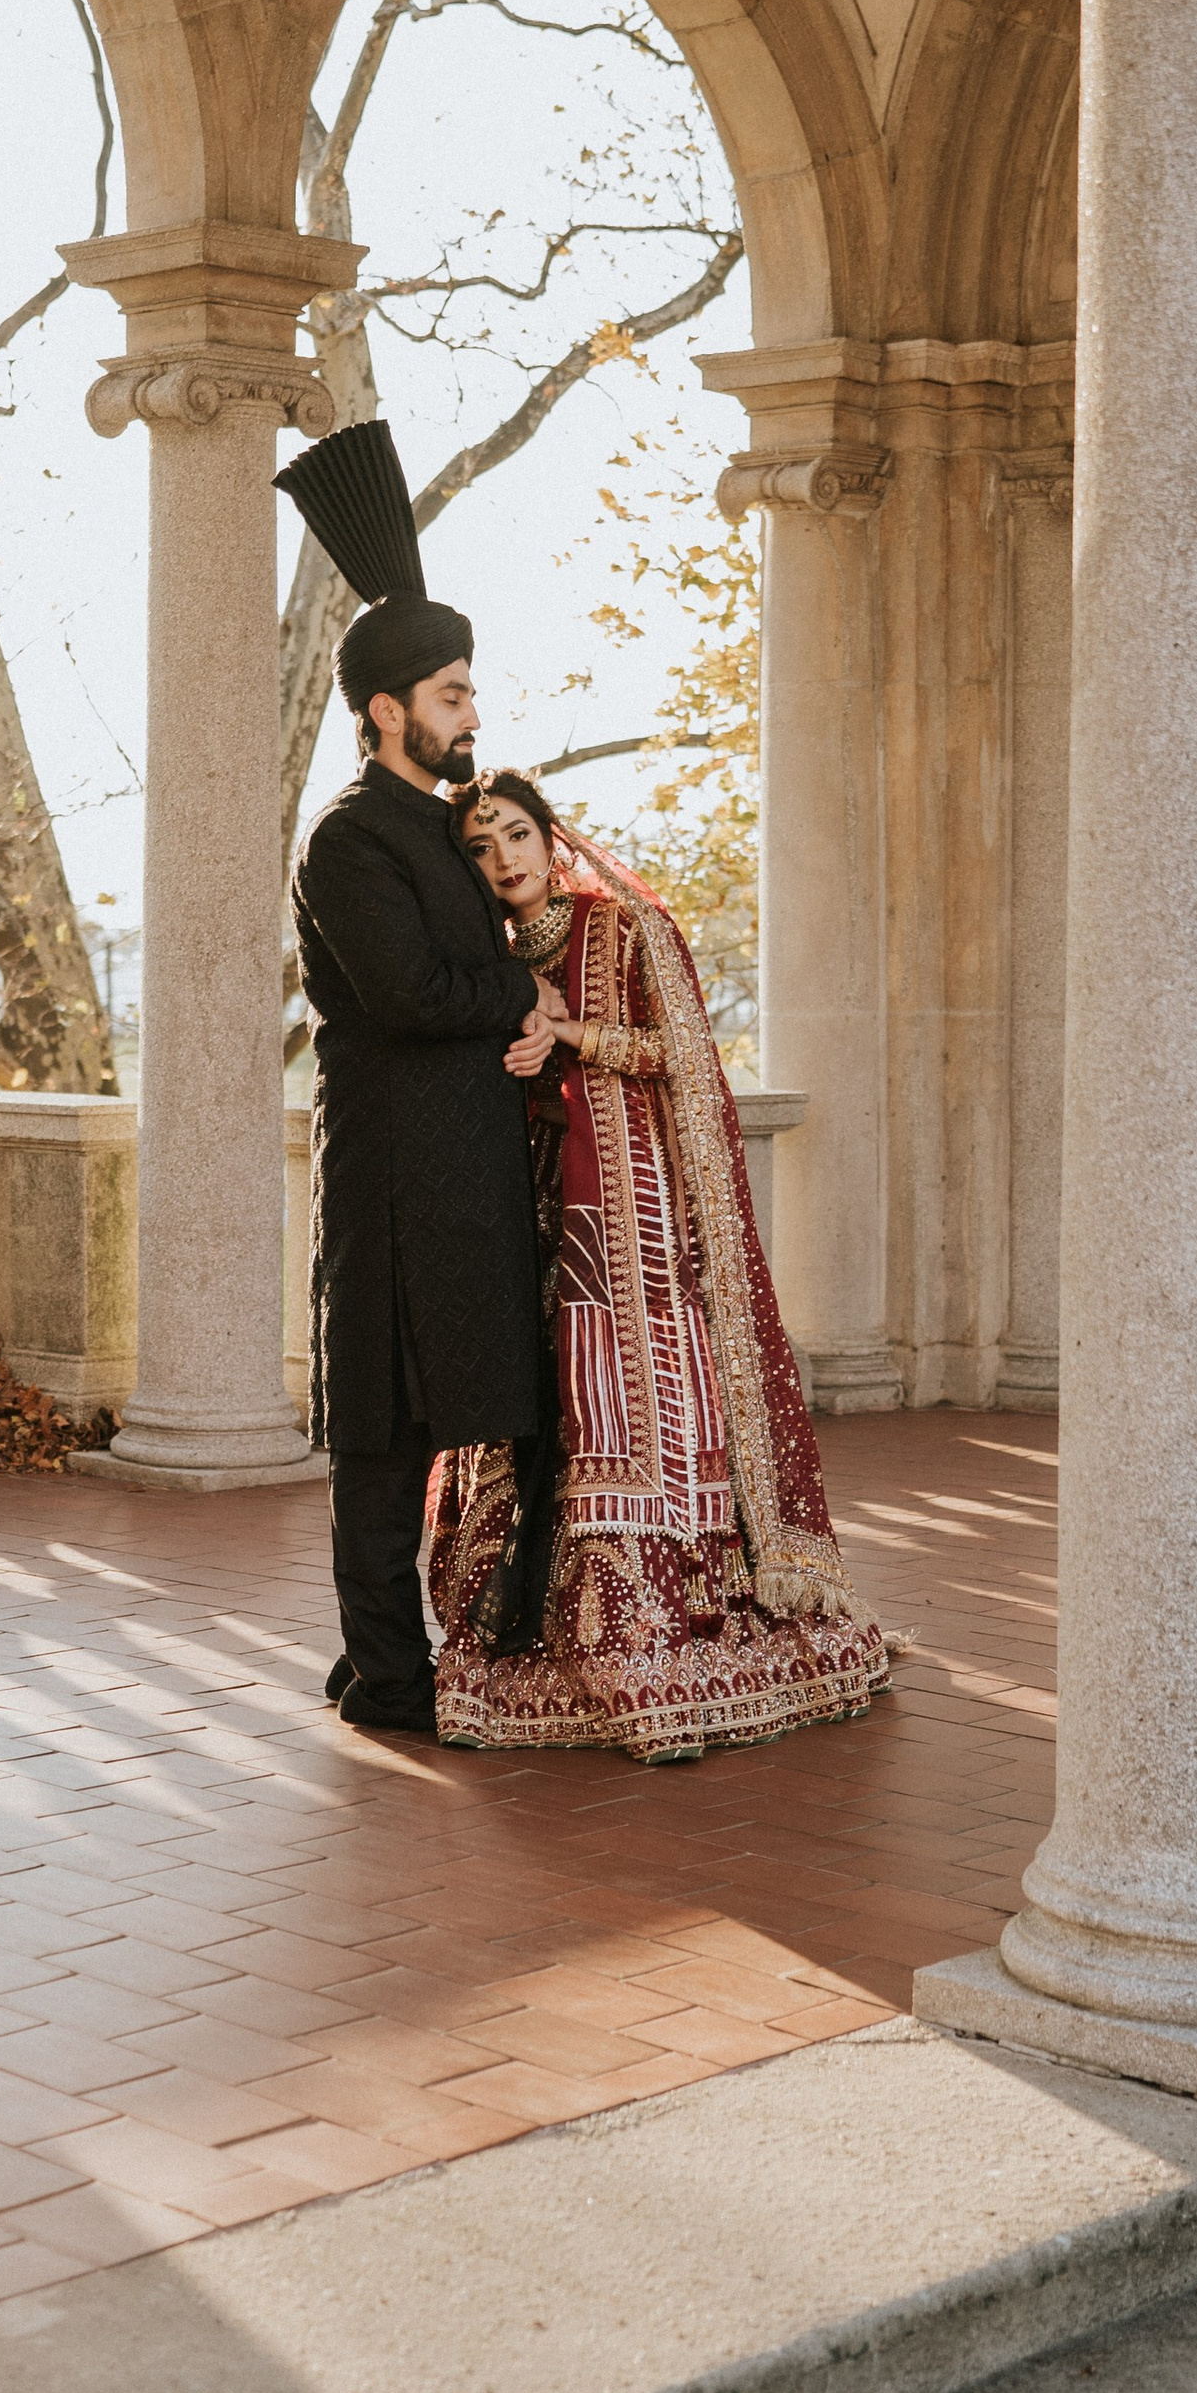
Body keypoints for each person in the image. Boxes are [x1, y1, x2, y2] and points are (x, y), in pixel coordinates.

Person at [431, 768, 899, 1761]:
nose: (503, 858)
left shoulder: (623, 927)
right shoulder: (488, 954)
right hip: (538, 1215)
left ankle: (663, 1637)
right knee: (555, 1414)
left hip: (636, 1213)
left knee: (635, 1412)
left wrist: (574, 1036)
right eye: (480, 846)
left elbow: (683, 1054)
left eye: (515, 834)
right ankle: (552, 1626)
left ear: (551, 839)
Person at [279, 423, 563, 1734]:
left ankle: (510, 1646)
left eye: (469, 693)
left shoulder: (448, 828)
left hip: (476, 1165)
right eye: (452, 696)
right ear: (387, 710)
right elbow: (410, 997)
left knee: (512, 1407)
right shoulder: (349, 841)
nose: (473, 715)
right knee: (385, 1439)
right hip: (395, 1171)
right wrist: (519, 991)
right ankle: (388, 1680)